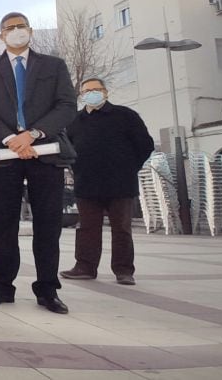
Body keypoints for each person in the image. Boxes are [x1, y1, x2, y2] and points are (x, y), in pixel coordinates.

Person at [0, 12, 77, 314]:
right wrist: (11, 139)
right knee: (4, 223)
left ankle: (47, 290)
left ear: (30, 31)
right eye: (10, 28)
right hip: (4, 154)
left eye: (21, 27)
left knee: (48, 224)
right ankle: (2, 286)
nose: (16, 32)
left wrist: (32, 135)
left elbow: (67, 105)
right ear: (1, 35)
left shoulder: (53, 66)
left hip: (46, 152)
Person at [61, 78, 153, 286]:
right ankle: (84, 266)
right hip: (87, 184)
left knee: (121, 228)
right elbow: (68, 151)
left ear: (105, 92)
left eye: (96, 89)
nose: (91, 93)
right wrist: (77, 170)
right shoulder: (75, 121)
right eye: (87, 91)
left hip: (120, 184)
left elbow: (145, 145)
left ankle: (123, 270)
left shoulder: (126, 116)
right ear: (81, 96)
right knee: (87, 228)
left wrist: (130, 167)